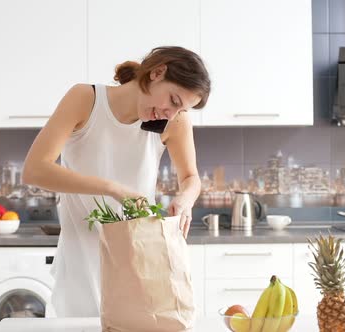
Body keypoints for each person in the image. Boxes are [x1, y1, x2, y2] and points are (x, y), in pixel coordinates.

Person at [21, 46, 211, 317]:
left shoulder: (174, 121)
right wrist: (112, 188)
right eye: (173, 100)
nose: (171, 113)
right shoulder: (85, 99)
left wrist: (185, 199)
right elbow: (35, 170)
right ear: (157, 73)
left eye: (180, 109)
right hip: (80, 259)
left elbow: (191, 178)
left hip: (139, 260)